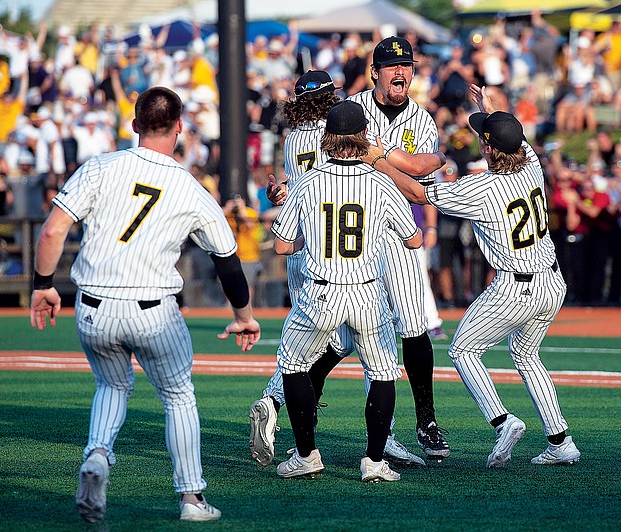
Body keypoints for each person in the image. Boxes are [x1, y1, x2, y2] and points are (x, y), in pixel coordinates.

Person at [29, 86, 261, 523]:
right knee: (177, 396)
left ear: (134, 125)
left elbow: (51, 231)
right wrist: (243, 316)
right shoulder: (191, 188)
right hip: (154, 310)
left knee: (112, 386)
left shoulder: (100, 167)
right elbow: (228, 262)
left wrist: (43, 285)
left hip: (94, 307)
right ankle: (191, 500)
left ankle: (98, 454)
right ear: (179, 128)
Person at [370, 83, 581, 468]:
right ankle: (560, 441)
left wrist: (380, 159)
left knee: (463, 350)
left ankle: (502, 422)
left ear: (486, 147)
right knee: (527, 354)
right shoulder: (531, 165)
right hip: (552, 281)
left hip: (515, 287)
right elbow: (516, 138)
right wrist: (491, 108)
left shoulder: (482, 186)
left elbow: (420, 194)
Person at [248, 70, 431, 469]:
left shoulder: (295, 141)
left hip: (315, 271)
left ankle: (297, 437)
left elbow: (282, 239)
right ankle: (376, 456)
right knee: (377, 368)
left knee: (305, 354)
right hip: (364, 282)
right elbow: (415, 237)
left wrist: (284, 198)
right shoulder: (378, 178)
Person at [347, 36, 450, 457]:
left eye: (406, 65)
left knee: (413, 328)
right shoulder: (352, 111)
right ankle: (292, 410)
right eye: (391, 66)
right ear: (375, 72)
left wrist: (377, 158)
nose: (400, 72)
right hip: (356, 234)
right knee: (346, 336)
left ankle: (425, 420)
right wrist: (399, 166)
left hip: (400, 231)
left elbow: (421, 180)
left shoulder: (422, 119)